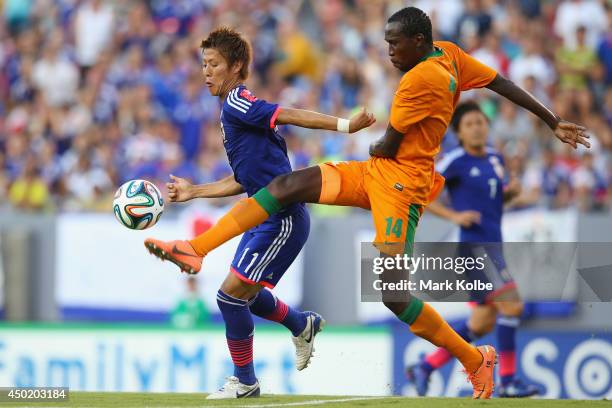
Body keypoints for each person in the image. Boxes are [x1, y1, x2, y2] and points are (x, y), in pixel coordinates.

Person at [145, 8, 588, 399]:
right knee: (286, 185)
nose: (390, 52)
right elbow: (499, 81)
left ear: (418, 42)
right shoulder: (448, 53)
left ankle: (475, 359)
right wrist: (552, 120)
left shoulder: (420, 80)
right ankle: (196, 248)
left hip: (400, 188)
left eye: (395, 44)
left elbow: (389, 141)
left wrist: (371, 138)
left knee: (393, 294)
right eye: (387, 43)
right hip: (378, 174)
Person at [144, 27, 375, 399]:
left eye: (213, 64)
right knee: (242, 296)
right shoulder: (230, 109)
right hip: (259, 212)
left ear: (235, 66)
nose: (206, 72)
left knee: (229, 297)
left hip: (281, 217)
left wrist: (344, 125)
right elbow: (244, 179)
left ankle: (245, 381)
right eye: (203, 64)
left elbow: (287, 114)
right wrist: (195, 191)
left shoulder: (238, 101)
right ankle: (302, 324)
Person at [405, 101, 539, 398]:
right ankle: (508, 380)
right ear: (460, 133)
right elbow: (421, 195)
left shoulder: (494, 158)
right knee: (513, 305)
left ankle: (425, 366)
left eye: (481, 122)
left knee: (482, 323)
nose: (478, 127)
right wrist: (454, 216)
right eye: (470, 124)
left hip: (493, 246)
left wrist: (512, 195)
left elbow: (494, 203)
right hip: (473, 249)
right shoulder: (454, 161)